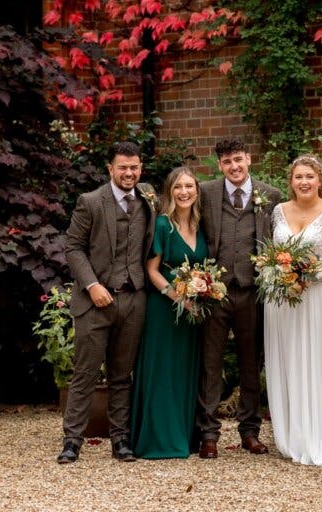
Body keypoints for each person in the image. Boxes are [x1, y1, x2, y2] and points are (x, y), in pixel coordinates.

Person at [58, 141, 155, 464]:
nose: (129, 173)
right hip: (94, 302)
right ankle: (72, 441)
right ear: (110, 169)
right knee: (85, 373)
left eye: (134, 167)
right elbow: (73, 247)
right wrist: (92, 284)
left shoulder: (147, 202)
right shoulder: (90, 202)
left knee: (121, 375)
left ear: (141, 169)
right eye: (123, 167)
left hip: (133, 300)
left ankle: (121, 440)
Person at [196, 137, 281, 458]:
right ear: (220, 165)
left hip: (252, 292)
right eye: (228, 162)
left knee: (250, 363)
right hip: (214, 291)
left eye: (239, 160)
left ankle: (250, 431)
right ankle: (208, 433)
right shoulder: (205, 193)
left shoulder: (270, 196)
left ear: (249, 159)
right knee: (210, 363)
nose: (234, 166)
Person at [264, 155, 322, 466]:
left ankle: (318, 435)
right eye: (298, 177)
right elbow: (270, 253)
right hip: (281, 299)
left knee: (314, 360)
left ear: (319, 180)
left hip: (315, 296)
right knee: (287, 360)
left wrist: (306, 278)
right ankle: (291, 436)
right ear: (291, 181)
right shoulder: (277, 212)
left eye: (309, 177)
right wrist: (281, 276)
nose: (304, 182)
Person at [130, 167, 207, 458]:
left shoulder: (200, 225)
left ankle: (182, 437)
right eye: (178, 187)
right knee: (162, 372)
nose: (184, 192)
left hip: (191, 313)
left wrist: (200, 294)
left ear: (197, 191)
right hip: (164, 310)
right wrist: (179, 298)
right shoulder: (163, 225)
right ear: (170, 191)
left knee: (183, 373)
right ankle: (157, 441)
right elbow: (151, 270)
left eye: (189, 186)